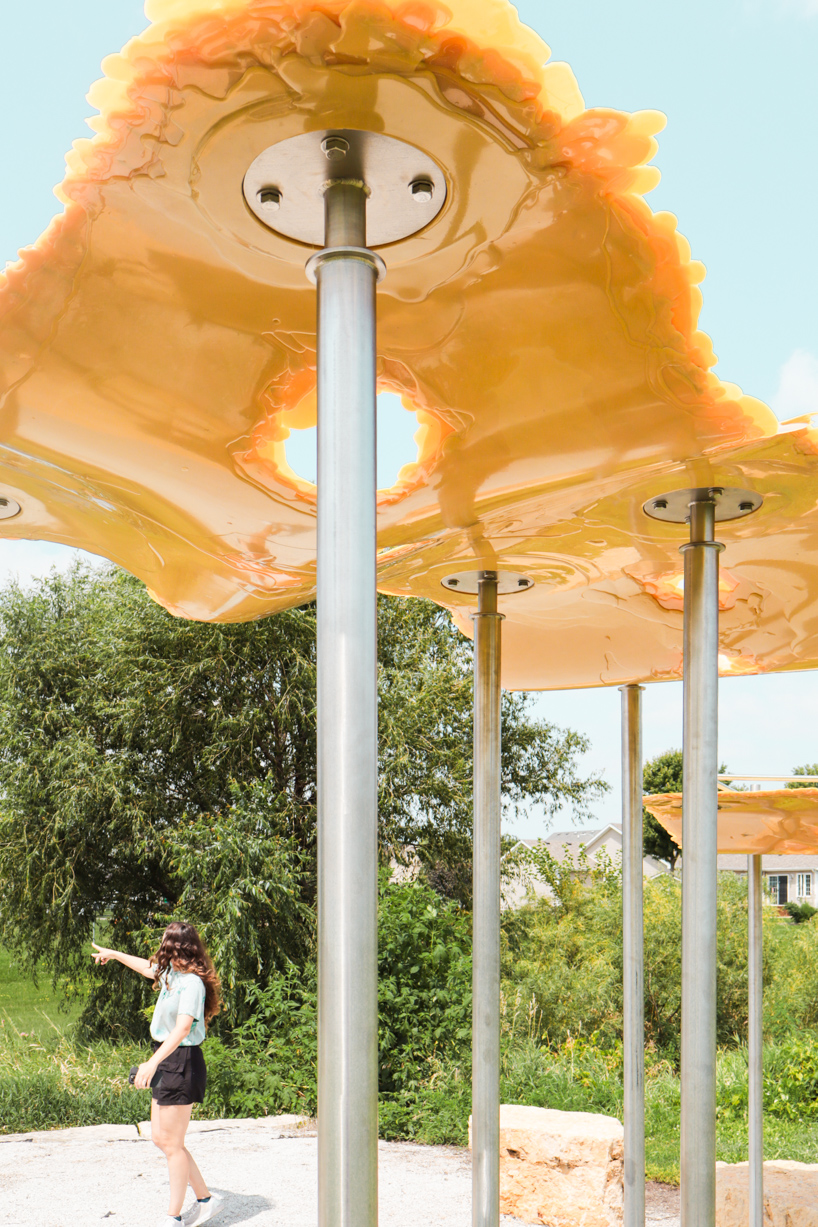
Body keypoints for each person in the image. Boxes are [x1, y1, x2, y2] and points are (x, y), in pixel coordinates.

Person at [92, 922, 224, 1227]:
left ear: (177, 947)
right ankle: (206, 1200)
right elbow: (147, 968)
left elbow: (182, 1029)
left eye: (166, 944)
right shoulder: (173, 975)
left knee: (171, 1143)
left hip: (181, 1059)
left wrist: (152, 1063)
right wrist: (114, 954)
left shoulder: (191, 983)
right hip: (167, 1058)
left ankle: (173, 1217)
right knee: (161, 1138)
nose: (161, 949)